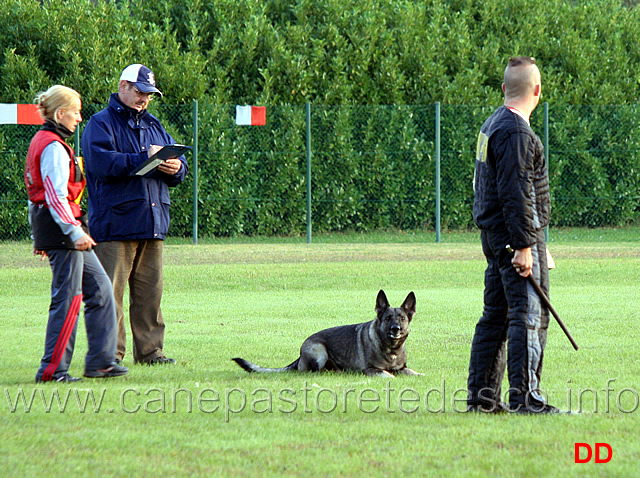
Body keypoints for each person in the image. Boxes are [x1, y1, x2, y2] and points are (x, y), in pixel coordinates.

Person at [466, 57, 560, 414]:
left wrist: (538, 243)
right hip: (513, 239)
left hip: (495, 236)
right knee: (528, 315)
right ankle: (527, 399)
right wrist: (525, 244)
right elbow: (516, 191)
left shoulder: (493, 124)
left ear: (505, 89)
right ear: (537, 91)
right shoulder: (518, 133)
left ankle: (482, 399)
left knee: (496, 317)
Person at [81, 64, 188, 365]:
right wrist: (145, 158)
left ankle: (151, 352)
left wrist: (177, 168)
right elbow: (101, 163)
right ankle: (109, 356)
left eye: (149, 94)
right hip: (115, 225)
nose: (144, 99)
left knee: (150, 297)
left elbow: (178, 166)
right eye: (140, 92)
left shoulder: (155, 125)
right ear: (123, 86)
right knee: (109, 297)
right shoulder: (100, 124)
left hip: (152, 222)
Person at [25, 85, 128, 382]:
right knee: (68, 300)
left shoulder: (47, 141)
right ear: (60, 114)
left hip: (61, 229)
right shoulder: (53, 146)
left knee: (101, 289)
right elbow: (55, 196)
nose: (79, 118)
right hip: (64, 231)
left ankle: (101, 362)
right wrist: (73, 232)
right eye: (76, 112)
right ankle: (52, 370)